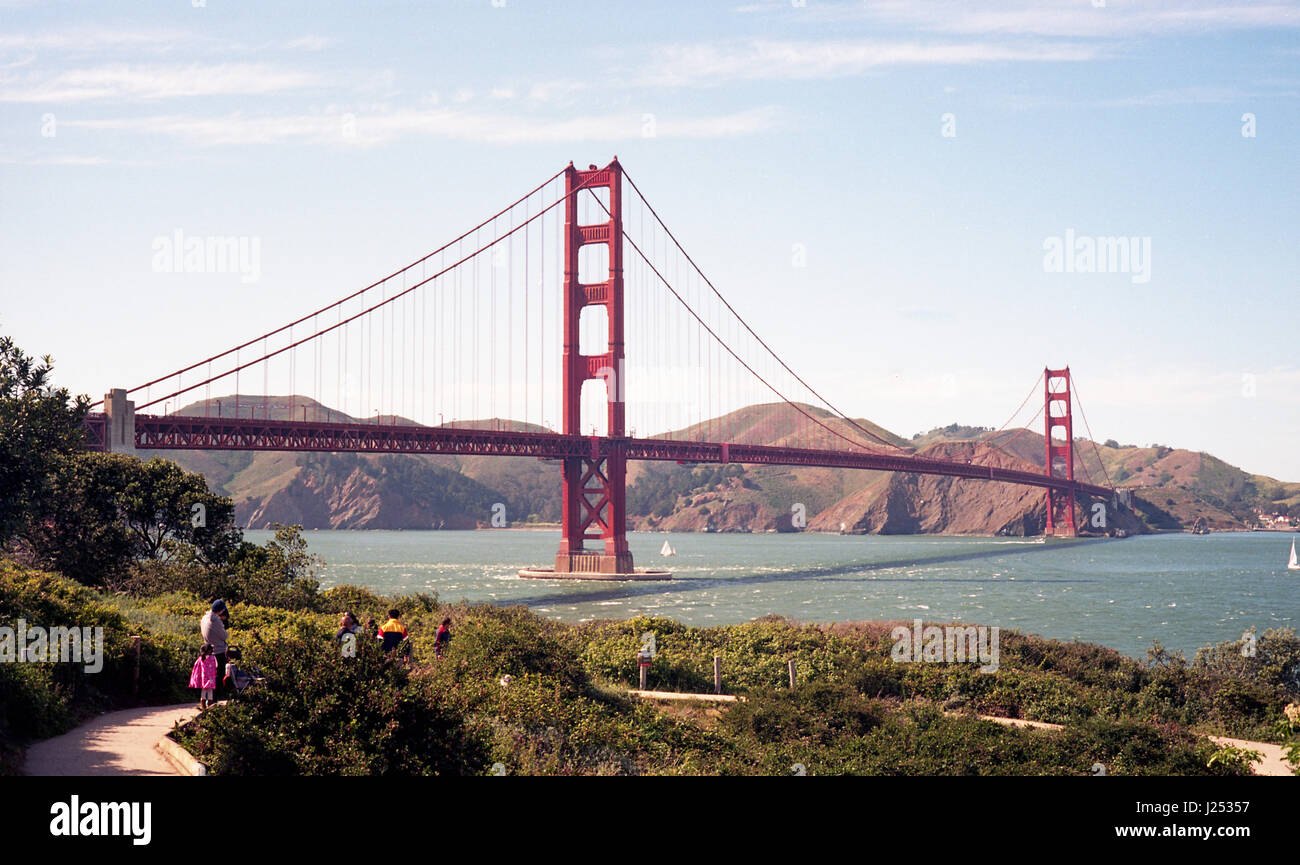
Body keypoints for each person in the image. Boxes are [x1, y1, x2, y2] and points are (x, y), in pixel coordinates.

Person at [201, 599, 230, 699]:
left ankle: (207, 698)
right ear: (221, 610)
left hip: (208, 650)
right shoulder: (217, 621)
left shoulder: (205, 617)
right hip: (219, 651)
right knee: (219, 675)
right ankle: (216, 697)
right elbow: (225, 636)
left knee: (209, 676)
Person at [189, 643, 217, 709]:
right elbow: (216, 666)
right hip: (211, 678)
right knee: (210, 692)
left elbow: (196, 668)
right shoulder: (213, 658)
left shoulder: (201, 659)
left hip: (203, 678)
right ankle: (210, 707)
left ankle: (203, 707)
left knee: (204, 692)